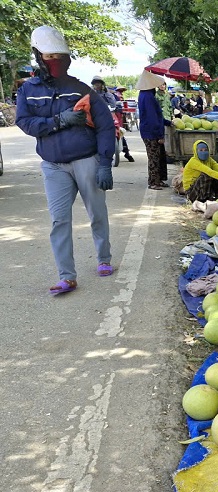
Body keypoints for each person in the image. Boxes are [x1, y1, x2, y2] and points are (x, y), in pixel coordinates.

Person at [16, 26, 116, 295]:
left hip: (86, 160)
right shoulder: (28, 91)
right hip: (53, 165)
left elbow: (106, 125)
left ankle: (104, 258)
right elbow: (24, 122)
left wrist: (105, 162)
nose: (56, 63)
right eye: (50, 57)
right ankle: (67, 276)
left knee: (97, 213)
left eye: (60, 57)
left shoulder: (80, 89)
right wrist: (58, 121)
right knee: (59, 220)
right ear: (38, 57)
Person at [137, 69, 171, 190]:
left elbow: (158, 116)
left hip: (151, 131)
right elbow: (152, 118)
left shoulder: (147, 95)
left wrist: (168, 123)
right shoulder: (148, 97)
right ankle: (153, 182)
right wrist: (159, 135)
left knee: (160, 157)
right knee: (154, 158)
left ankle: (159, 179)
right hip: (151, 133)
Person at [94, 77, 134, 162]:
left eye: (98, 83)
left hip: (109, 115)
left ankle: (126, 151)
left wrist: (115, 108)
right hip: (96, 117)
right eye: (95, 83)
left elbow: (114, 105)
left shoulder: (109, 95)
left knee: (119, 131)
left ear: (102, 84)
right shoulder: (91, 95)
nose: (97, 85)